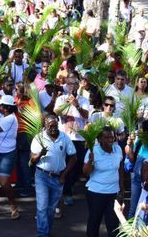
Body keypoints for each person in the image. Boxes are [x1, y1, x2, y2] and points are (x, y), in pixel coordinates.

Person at [30, 115, 77, 237]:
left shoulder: (64, 137)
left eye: (55, 125)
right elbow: (32, 160)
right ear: (45, 126)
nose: (53, 128)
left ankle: (46, 231)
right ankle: (43, 234)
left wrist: (64, 175)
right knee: (42, 207)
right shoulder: (39, 138)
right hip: (42, 176)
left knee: (51, 209)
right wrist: (40, 154)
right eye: (50, 126)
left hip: (58, 178)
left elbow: (73, 157)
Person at [83, 125, 124, 237]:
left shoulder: (118, 149)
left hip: (113, 193)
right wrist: (90, 160)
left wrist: (121, 185)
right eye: (107, 137)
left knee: (113, 225)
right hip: (96, 193)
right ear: (100, 139)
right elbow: (86, 172)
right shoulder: (93, 151)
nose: (110, 140)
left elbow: (120, 166)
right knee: (94, 222)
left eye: (112, 137)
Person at [55, 76, 90, 206]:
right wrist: (67, 104)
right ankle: (66, 192)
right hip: (64, 137)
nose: (72, 86)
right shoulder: (61, 99)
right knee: (65, 165)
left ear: (78, 86)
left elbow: (86, 116)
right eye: (69, 84)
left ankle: (69, 184)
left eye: (74, 84)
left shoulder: (84, 100)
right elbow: (56, 111)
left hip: (78, 138)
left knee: (78, 166)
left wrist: (77, 105)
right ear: (66, 85)